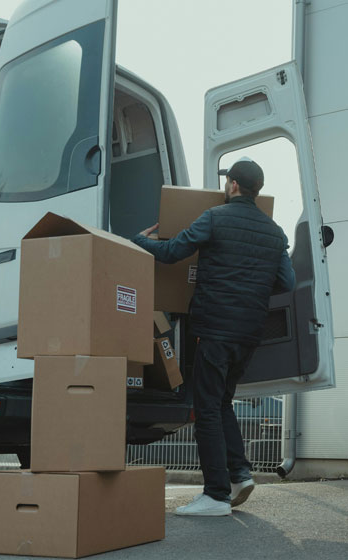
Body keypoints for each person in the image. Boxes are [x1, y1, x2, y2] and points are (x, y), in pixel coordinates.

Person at [133, 157, 295, 517]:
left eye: (227, 182)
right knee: (222, 402)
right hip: (248, 334)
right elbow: (287, 282)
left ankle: (216, 495)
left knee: (205, 407)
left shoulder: (214, 218)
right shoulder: (274, 232)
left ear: (233, 185)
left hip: (214, 330)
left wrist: (139, 242)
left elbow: (174, 252)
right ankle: (239, 474)